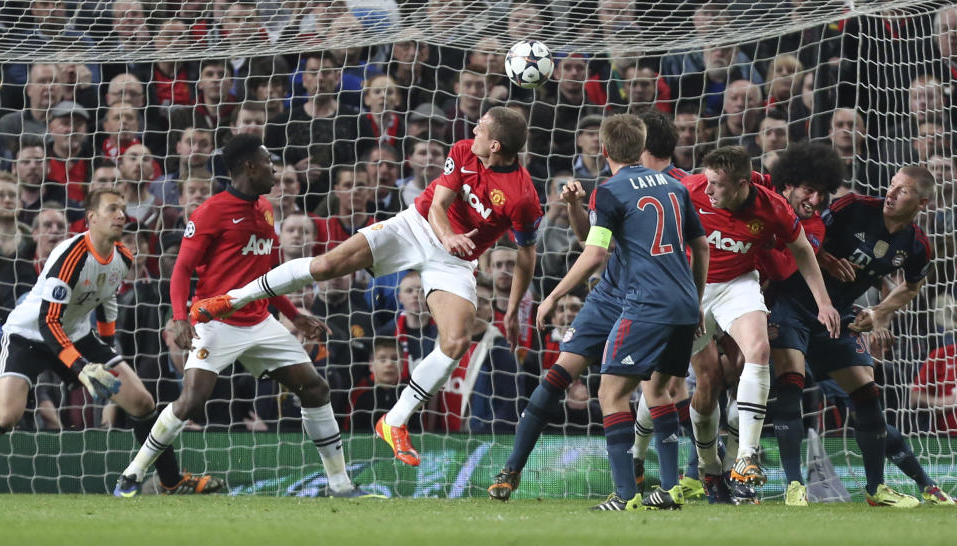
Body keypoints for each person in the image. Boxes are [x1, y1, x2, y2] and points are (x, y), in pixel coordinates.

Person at [191, 107, 543, 467]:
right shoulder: (465, 149)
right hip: (418, 225)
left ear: (496, 145)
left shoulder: (522, 197)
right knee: (327, 264)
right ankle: (233, 299)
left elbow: (527, 255)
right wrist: (449, 235)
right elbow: (438, 205)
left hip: (452, 260)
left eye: (481, 128)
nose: (474, 128)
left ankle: (394, 422)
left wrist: (513, 309)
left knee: (456, 340)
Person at [114, 135, 377, 498]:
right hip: (217, 320)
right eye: (269, 162)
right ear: (249, 167)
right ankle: (133, 473)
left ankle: (340, 483)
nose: (275, 170)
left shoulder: (266, 210)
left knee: (315, 388)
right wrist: (179, 317)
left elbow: (268, 272)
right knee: (192, 400)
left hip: (260, 321)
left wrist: (293, 315)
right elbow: (181, 269)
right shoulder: (211, 211)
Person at [488, 108, 694, 503]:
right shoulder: (621, 188)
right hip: (612, 295)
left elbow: (596, 253)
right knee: (558, 375)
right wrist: (574, 207)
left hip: (644, 301)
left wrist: (552, 295)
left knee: (648, 389)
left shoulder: (640, 187)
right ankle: (512, 468)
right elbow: (593, 241)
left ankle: (656, 482)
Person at [0, 188, 221, 495]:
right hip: (30, 336)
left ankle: (172, 481)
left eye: (123, 209)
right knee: (7, 416)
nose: (121, 215)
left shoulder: (123, 257)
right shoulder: (70, 255)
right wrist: (81, 367)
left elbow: (105, 303)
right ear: (91, 218)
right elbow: (48, 321)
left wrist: (107, 349)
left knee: (142, 402)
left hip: (77, 335)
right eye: (112, 209)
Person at [768, 165, 938, 508]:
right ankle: (794, 487)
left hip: (839, 315)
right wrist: (826, 258)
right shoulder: (854, 206)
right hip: (794, 304)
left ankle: (876, 490)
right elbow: (802, 233)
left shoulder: (916, 245)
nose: (890, 193)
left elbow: (911, 287)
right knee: (790, 386)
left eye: (902, 191)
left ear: (921, 203)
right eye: (892, 185)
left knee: (868, 396)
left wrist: (878, 314)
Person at [683, 146, 839, 504]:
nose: (708, 191)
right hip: (692, 286)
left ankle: (744, 459)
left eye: (717, 185)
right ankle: (708, 467)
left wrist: (824, 302)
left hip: (738, 284)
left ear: (740, 185)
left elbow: (801, 251)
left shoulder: (773, 208)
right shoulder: (691, 189)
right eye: (707, 183)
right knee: (706, 381)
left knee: (758, 350)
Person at [746, 142, 843, 506]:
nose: (815, 199)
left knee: (741, 378)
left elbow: (784, 269)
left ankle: (786, 483)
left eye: (821, 193)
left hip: (762, 307)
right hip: (720, 290)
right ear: (788, 182)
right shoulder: (759, 192)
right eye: (808, 189)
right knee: (712, 380)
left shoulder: (813, 224)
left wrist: (765, 239)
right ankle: (697, 472)